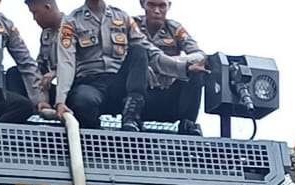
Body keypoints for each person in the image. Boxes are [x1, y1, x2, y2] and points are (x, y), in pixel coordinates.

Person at [54, 0, 200, 130]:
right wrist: (60, 101)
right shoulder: (71, 21)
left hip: (119, 83)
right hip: (90, 83)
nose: (157, 10)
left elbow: (152, 53)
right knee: (82, 101)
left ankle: (131, 118)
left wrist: (184, 68)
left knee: (139, 50)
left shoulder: (122, 17)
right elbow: (66, 62)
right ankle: (94, 137)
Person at [134, 0, 206, 135]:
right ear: (143, 4)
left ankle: (188, 123)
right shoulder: (132, 25)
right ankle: (132, 118)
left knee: (197, 71)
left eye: (161, 6)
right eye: (152, 5)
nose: (157, 10)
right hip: (142, 93)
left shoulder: (174, 29)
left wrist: (173, 64)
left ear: (168, 6)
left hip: (168, 94)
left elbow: (200, 56)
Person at [23, 0, 64, 108]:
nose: (34, 18)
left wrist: (57, 73)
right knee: (16, 74)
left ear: (47, 7)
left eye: (35, 13)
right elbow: (40, 65)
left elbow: (85, 66)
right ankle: (33, 108)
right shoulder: (46, 34)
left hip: (69, 89)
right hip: (48, 87)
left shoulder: (75, 28)